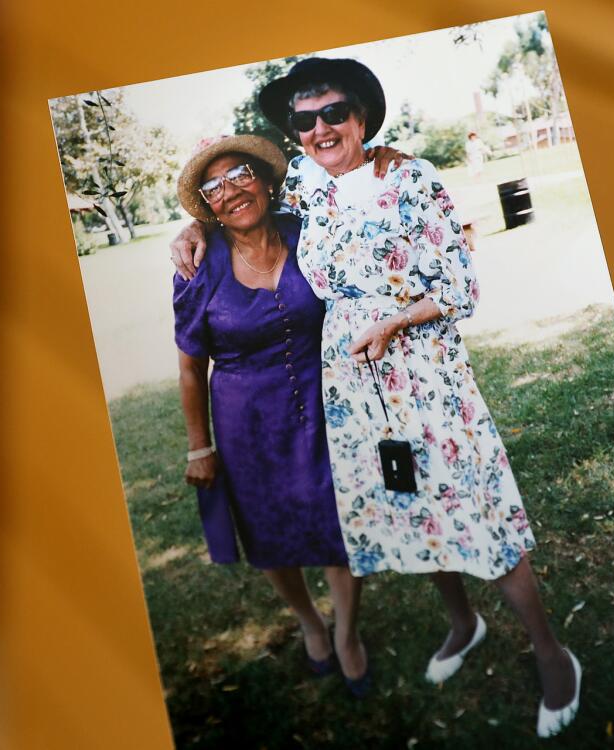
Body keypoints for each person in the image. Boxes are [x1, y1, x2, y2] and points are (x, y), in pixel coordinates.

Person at [174, 58, 581, 738]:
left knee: (479, 512)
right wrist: (194, 232)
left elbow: (460, 289)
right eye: (305, 121)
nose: (321, 128)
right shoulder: (306, 194)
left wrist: (394, 321)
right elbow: (241, 213)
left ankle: (551, 653)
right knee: (412, 511)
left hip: (426, 383)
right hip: (358, 396)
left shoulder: (412, 179)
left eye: (334, 113)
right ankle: (462, 624)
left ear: (362, 115)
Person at [171, 134, 371, 693]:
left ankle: (348, 633)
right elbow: (190, 368)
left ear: (264, 179)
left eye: (239, 175)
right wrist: (199, 445)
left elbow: (358, 183)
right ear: (207, 207)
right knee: (269, 534)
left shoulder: (310, 232)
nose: (230, 191)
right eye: (213, 186)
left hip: (325, 404)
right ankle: (310, 622)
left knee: (339, 523)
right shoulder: (196, 265)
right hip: (245, 423)